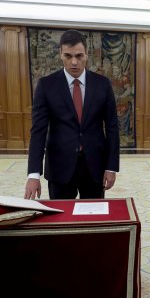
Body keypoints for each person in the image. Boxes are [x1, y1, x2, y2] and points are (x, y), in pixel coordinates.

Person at [25, 30, 120, 200]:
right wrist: (33, 174)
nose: (74, 62)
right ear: (60, 54)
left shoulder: (102, 84)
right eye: (68, 56)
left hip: (95, 167)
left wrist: (111, 167)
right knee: (61, 221)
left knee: (93, 219)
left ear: (87, 54)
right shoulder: (46, 85)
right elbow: (38, 131)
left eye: (79, 56)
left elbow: (112, 127)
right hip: (59, 168)